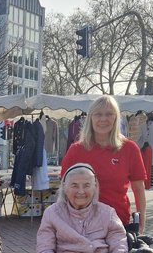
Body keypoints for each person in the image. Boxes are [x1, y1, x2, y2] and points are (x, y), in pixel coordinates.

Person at [61, 95, 147, 232]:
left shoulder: (129, 149)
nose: (103, 119)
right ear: (90, 118)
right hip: (82, 225)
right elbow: (64, 189)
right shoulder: (76, 150)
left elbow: (139, 189)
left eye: (109, 114)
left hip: (117, 223)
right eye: (98, 114)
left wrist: (141, 223)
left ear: (116, 118)